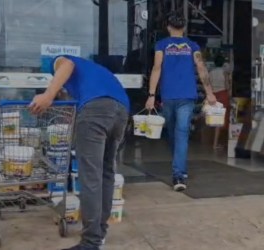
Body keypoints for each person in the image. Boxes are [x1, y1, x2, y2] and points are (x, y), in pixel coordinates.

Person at [30, 55, 130, 250]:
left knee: (90, 176)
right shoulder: (92, 70)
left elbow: (66, 64)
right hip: (121, 110)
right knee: (106, 173)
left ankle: (90, 242)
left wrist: (48, 94)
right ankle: (99, 235)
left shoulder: (59, 61)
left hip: (97, 110)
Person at [145, 12, 216, 192]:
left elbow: (156, 68)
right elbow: (201, 68)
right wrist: (209, 93)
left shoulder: (161, 45)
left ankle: (179, 174)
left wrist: (151, 95)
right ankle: (179, 168)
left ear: (168, 27)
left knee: (178, 133)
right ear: (184, 28)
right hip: (186, 95)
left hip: (170, 96)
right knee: (177, 134)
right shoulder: (192, 46)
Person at [209, 55, 231, 150]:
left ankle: (216, 143)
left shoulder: (211, 73)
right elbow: (227, 86)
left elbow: (208, 85)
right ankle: (221, 143)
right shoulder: (224, 72)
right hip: (223, 95)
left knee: (217, 120)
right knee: (225, 119)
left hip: (214, 96)